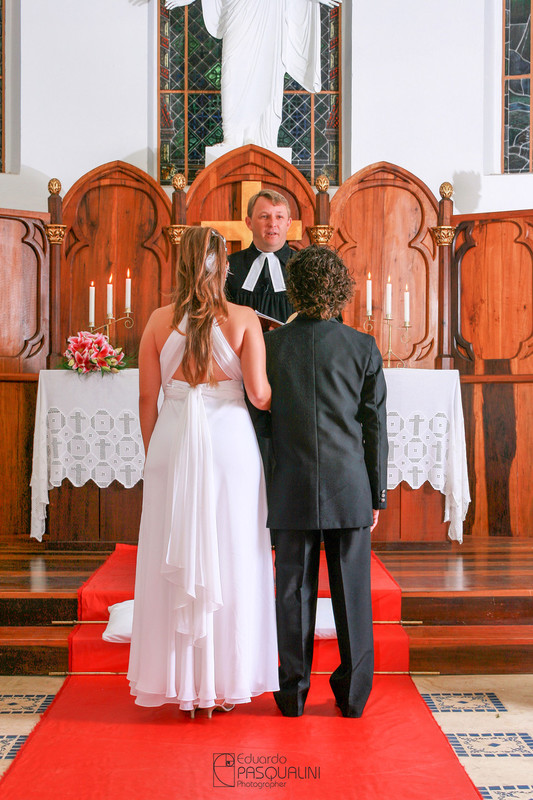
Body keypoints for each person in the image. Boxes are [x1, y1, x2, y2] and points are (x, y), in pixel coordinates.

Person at [127, 226, 279, 715]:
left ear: (182, 264)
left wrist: (155, 455)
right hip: (230, 444)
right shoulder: (244, 318)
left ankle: (181, 684)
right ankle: (225, 681)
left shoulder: (157, 321)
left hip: (172, 441)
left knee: (172, 552)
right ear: (225, 267)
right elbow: (259, 395)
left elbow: (147, 398)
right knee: (233, 551)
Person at [264, 245, 388, 718]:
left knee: (292, 592)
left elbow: (261, 425)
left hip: (290, 483)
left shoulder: (272, 346)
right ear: (340, 290)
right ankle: (353, 697)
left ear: (294, 290)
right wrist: (376, 492)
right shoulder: (362, 346)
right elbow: (374, 426)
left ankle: (293, 693)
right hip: (349, 484)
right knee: (352, 593)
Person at [166, 0, 342, 150]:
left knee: (266, 71)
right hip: (237, 9)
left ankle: (258, 137)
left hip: (269, 10)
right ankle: (232, 137)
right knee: (232, 72)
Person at [226, 189, 296, 327]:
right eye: (264, 216)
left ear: (288, 223)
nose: (272, 223)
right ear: (249, 223)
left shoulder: (306, 267)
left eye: (279, 217)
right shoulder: (229, 266)